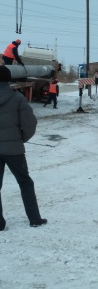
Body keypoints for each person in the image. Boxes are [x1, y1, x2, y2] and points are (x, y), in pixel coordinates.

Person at [0, 66, 47, 230]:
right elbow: (30, 123)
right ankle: (34, 218)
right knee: (25, 182)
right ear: (9, 79)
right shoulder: (17, 98)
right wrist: (20, 139)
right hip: (14, 149)